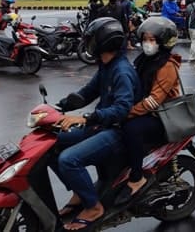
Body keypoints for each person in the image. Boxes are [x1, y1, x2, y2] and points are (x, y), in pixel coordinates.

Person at [52, 17, 141, 230]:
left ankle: (93, 207)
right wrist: (58, 108)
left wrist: (86, 118)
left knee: (68, 159)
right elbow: (87, 92)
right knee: (51, 143)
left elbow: (122, 109)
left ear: (104, 41)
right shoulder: (106, 65)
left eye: (91, 39)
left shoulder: (121, 71)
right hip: (101, 126)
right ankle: (79, 192)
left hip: (116, 132)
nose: (88, 43)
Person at [114, 17, 182, 205]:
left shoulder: (167, 65)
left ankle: (137, 178)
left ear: (163, 42)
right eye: (145, 39)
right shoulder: (143, 60)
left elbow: (154, 101)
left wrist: (128, 113)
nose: (147, 43)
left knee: (131, 128)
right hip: (146, 111)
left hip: (162, 117)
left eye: (152, 40)